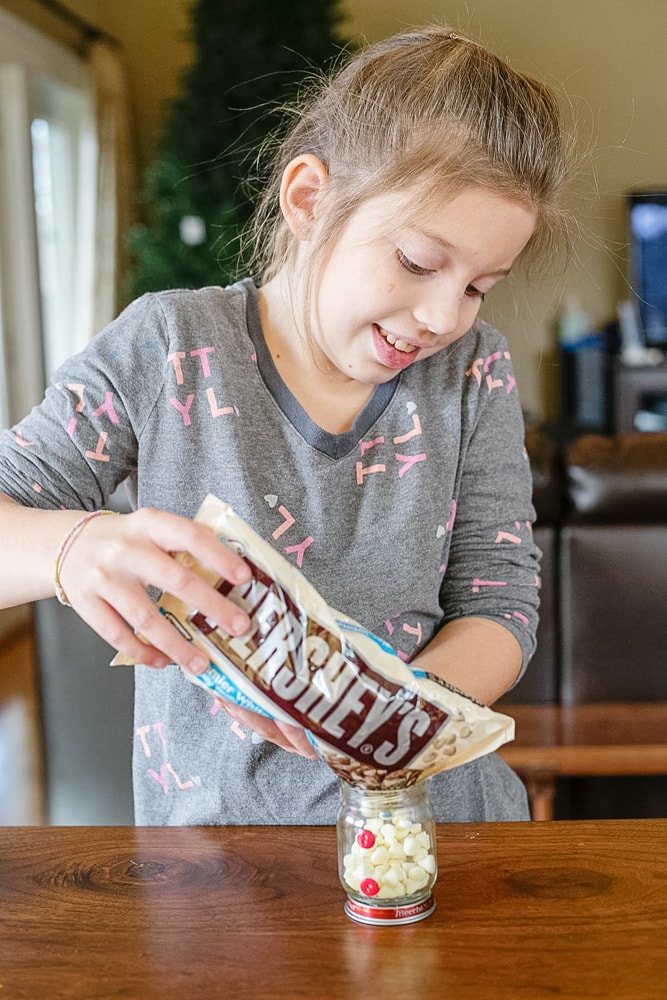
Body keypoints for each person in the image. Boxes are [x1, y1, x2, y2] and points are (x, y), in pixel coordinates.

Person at [0, 25, 572, 825]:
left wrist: (390, 719)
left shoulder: (471, 370)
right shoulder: (167, 348)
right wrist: (71, 547)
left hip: (438, 836)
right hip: (215, 864)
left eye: (479, 285)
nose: (446, 315)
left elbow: (502, 604)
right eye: (415, 261)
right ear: (308, 199)